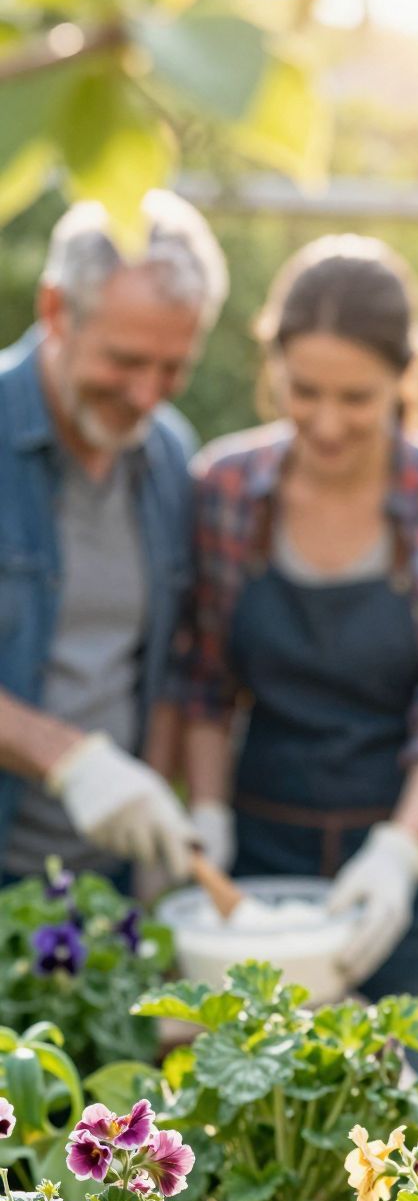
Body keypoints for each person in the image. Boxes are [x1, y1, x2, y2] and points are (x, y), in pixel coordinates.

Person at [176, 235, 418, 1043]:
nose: (327, 424)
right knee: (269, 1129)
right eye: (304, 391)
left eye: (358, 398)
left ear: (406, 375)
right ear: (274, 366)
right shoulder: (226, 491)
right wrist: (207, 813)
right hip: (262, 864)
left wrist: (398, 854)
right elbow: (203, 683)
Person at [0, 190, 227, 886]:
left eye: (172, 368)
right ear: (55, 310)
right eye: (125, 361)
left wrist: (165, 797)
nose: (147, 394)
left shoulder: (164, 455)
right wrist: (67, 757)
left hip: (99, 886)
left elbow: (158, 658)